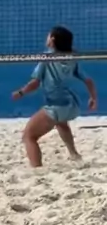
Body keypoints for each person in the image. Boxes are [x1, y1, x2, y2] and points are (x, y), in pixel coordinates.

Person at [12, 25, 97, 168]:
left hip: (56, 107)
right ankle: (75, 155)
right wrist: (93, 98)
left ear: (52, 39)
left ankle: (37, 170)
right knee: (61, 123)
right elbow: (88, 80)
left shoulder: (47, 58)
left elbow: (35, 83)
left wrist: (21, 92)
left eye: (48, 35)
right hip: (71, 105)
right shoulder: (72, 58)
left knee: (29, 136)